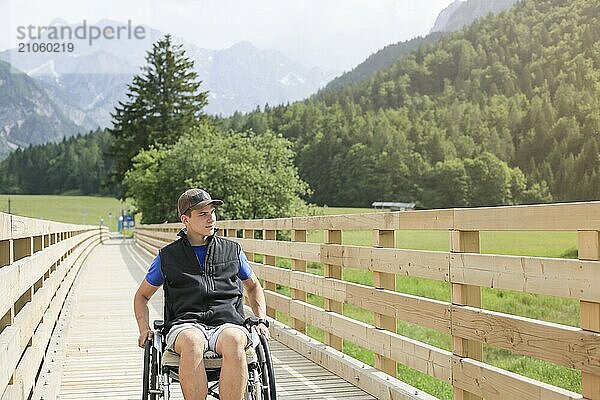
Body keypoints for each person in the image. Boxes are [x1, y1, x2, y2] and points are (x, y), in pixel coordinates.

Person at [134, 188, 270, 400]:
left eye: (212, 213)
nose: (211, 219)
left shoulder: (232, 251)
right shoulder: (168, 257)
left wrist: (261, 320)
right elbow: (142, 296)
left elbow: (253, 286)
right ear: (185, 219)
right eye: (203, 214)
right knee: (192, 341)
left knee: (235, 339)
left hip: (227, 323)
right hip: (185, 324)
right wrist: (144, 329)